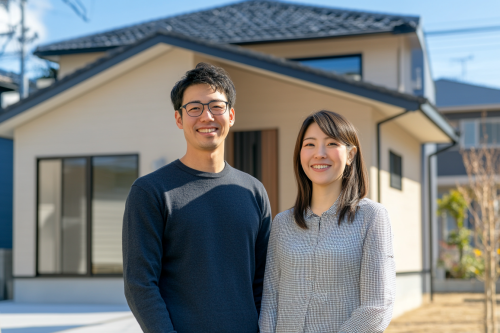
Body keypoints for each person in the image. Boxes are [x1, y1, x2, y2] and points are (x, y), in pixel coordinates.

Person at [123, 62, 272, 333]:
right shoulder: (151, 191)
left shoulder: (253, 191)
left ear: (231, 115)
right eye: (194, 108)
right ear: (179, 119)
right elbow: (140, 284)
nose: (206, 117)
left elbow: (263, 280)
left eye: (216, 106)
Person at [259, 110, 396, 333]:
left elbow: (377, 306)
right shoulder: (282, 223)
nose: (319, 153)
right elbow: (270, 301)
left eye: (331, 143)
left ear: (351, 155)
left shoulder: (372, 217)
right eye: (310, 144)